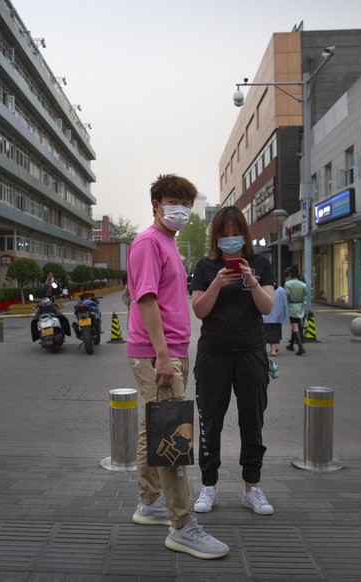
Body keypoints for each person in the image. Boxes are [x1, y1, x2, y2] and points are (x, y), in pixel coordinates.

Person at [127, 174, 229, 560]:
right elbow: (146, 300)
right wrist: (164, 355)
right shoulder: (148, 243)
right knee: (173, 437)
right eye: (172, 201)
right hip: (159, 353)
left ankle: (150, 502)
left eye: (186, 203)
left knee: (153, 428)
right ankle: (183, 526)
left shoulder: (167, 243)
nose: (180, 210)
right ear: (155, 204)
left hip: (167, 351)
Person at [189, 206, 275, 516]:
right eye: (223, 234)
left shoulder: (261, 264)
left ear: (244, 234)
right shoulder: (205, 267)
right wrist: (217, 282)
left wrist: (251, 281)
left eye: (234, 232)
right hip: (213, 354)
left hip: (251, 352)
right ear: (215, 237)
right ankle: (208, 485)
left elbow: (267, 308)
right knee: (210, 423)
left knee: (252, 422)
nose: (229, 239)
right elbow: (199, 310)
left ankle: (252, 487)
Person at [283, 266, 307, 355]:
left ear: (290, 274)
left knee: (294, 325)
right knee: (296, 324)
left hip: (292, 307)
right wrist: (305, 309)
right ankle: (291, 345)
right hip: (300, 307)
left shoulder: (288, 284)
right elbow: (305, 299)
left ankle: (301, 347)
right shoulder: (303, 285)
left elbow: (286, 297)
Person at [263, 282, 289, 357]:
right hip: (277, 316)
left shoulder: (263, 288)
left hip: (266, 316)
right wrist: (285, 315)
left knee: (265, 333)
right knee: (275, 333)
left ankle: (271, 350)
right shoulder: (281, 290)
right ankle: (274, 349)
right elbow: (285, 303)